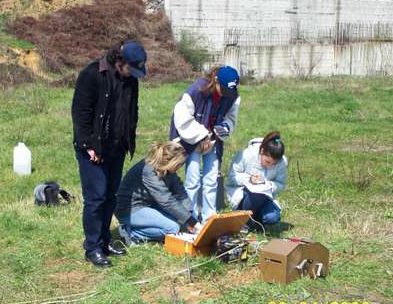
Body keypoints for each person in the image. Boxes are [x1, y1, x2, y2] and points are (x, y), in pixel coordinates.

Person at [72, 41, 147, 267]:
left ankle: (105, 242)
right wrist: (88, 145)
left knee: (110, 197)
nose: (132, 75)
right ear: (119, 61)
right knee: (96, 199)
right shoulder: (92, 75)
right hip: (94, 150)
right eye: (130, 69)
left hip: (117, 147)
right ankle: (92, 248)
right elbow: (80, 113)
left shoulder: (131, 80)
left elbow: (131, 110)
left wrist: (128, 139)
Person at [169, 66, 241, 223]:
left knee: (211, 179)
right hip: (192, 138)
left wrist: (224, 128)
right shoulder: (197, 90)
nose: (226, 95)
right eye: (223, 89)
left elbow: (230, 117)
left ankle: (209, 216)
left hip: (213, 140)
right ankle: (191, 218)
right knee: (193, 179)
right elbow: (182, 117)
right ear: (216, 81)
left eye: (230, 91)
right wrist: (202, 136)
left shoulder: (232, 95)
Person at [115, 141, 200, 244]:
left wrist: (190, 215)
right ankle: (130, 233)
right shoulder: (148, 171)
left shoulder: (168, 170)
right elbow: (166, 200)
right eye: (179, 164)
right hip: (130, 209)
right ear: (170, 161)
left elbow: (180, 193)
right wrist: (191, 221)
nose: (180, 167)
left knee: (182, 222)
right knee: (172, 228)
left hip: (149, 205)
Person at [226, 131, 288, 226]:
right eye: (267, 161)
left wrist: (270, 185)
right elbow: (231, 177)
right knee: (257, 195)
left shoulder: (282, 162)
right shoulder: (246, 154)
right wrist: (249, 179)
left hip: (266, 197)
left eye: (274, 164)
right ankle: (244, 220)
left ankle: (251, 221)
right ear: (262, 151)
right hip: (242, 196)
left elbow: (281, 183)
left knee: (272, 217)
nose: (270, 166)